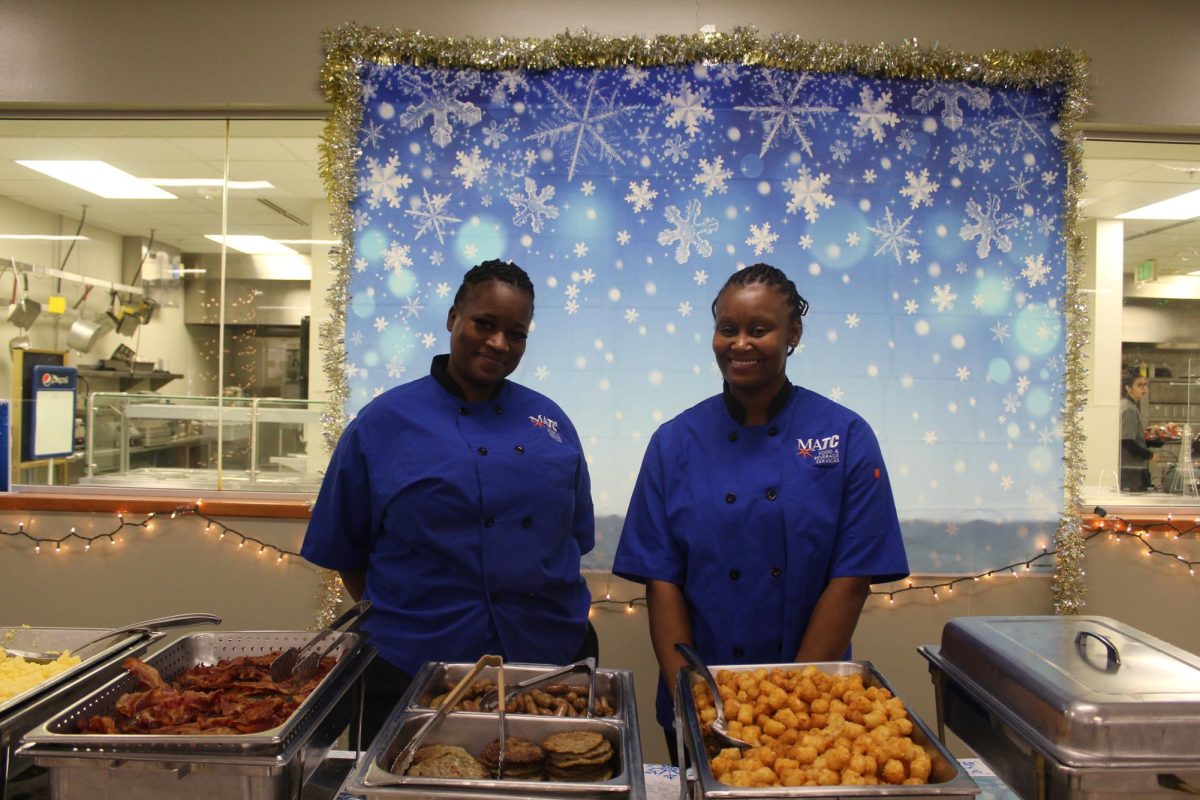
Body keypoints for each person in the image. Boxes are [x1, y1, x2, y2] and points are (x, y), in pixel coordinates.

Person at [612, 263, 909, 763]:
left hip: (811, 703)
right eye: (727, 329)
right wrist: (692, 701)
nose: (740, 344)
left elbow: (852, 577)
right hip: (700, 692)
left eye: (759, 329)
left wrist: (795, 698)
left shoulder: (846, 435)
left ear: (793, 334)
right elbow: (661, 582)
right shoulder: (674, 442)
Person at [302, 259, 597, 746]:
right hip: (410, 670)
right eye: (485, 323)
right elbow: (348, 554)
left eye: (516, 333)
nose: (499, 343)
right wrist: (415, 617)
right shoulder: (382, 423)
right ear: (452, 317)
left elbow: (573, 539)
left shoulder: (550, 421)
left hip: (548, 663)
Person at [1119, 367, 1158, 492]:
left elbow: (1134, 437)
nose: (1144, 388)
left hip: (1131, 468)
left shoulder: (1130, 406)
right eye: (1139, 385)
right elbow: (1127, 442)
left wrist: (1152, 442)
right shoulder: (1129, 409)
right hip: (1130, 469)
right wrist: (1149, 455)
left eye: (1145, 385)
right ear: (1128, 388)